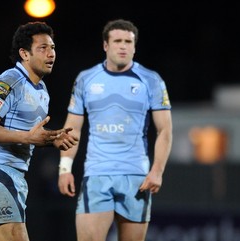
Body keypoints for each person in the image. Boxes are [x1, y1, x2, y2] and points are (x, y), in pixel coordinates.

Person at [58, 19, 173, 241]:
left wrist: (157, 170)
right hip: (97, 174)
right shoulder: (86, 79)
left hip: (136, 177)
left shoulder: (151, 80)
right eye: (117, 41)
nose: (123, 46)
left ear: (135, 46)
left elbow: (165, 130)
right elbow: (72, 128)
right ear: (105, 45)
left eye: (128, 42)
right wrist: (65, 168)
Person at [0, 21, 78, 241]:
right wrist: (27, 137)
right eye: (42, 48)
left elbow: (26, 130)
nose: (50, 53)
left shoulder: (41, 90)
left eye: (53, 47)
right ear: (24, 54)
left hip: (10, 176)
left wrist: (50, 139)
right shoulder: (9, 81)